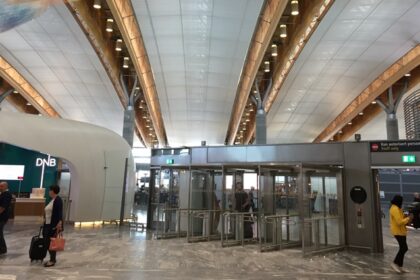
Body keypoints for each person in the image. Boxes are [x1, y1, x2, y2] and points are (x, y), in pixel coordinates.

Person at [389, 195, 412, 273]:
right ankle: (394, 263)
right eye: (401, 201)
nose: (402, 202)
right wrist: (408, 218)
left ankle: (400, 266)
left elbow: (401, 219)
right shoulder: (394, 209)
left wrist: (406, 217)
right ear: (398, 201)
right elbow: (399, 222)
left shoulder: (397, 208)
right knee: (404, 248)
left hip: (401, 231)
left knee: (404, 248)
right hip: (397, 231)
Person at [43, 185, 63, 267]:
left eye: (50, 190)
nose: (49, 192)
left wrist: (59, 224)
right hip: (47, 224)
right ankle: (52, 259)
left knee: (51, 243)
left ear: (53, 191)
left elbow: (59, 213)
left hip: (53, 226)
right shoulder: (53, 200)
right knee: (47, 242)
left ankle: (52, 260)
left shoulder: (58, 200)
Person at [0, 182, 12, 255]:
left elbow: (3, 207)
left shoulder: (6, 194)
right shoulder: (3, 194)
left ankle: (3, 249)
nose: (0, 187)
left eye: (1, 186)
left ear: (5, 187)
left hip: (2, 217)